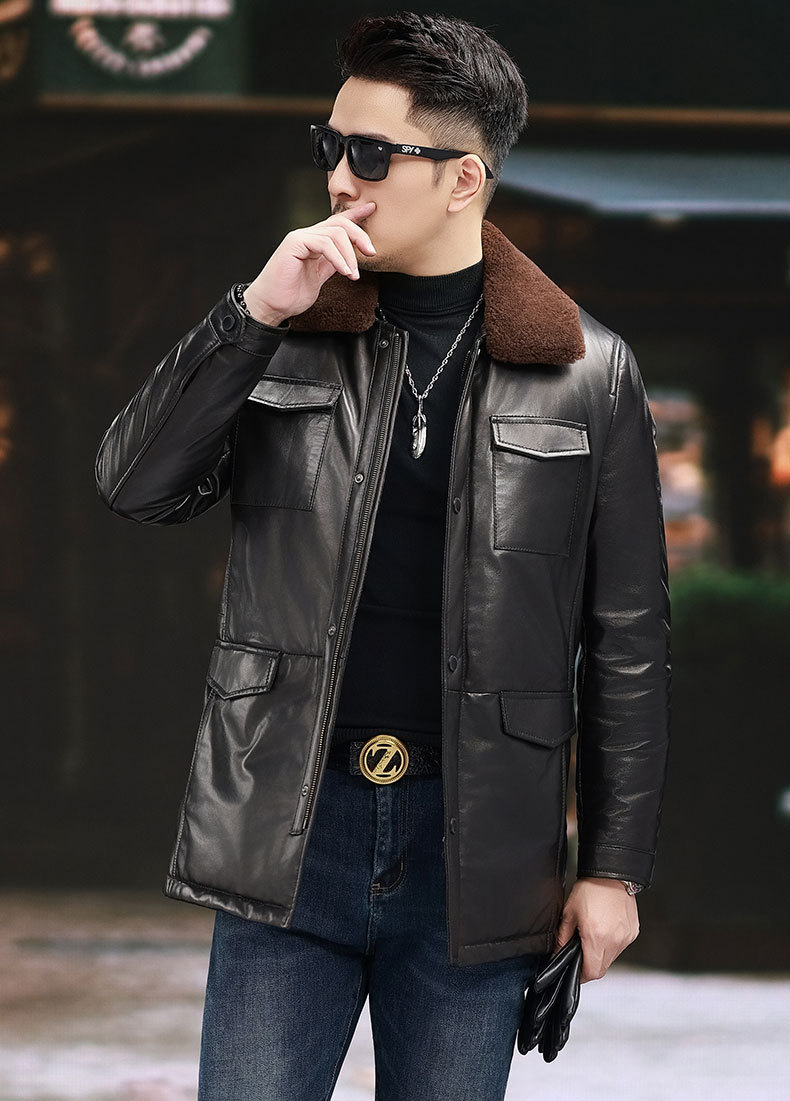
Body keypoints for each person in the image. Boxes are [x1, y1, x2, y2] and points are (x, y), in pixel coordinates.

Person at [95, 11, 671, 1099]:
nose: (338, 178)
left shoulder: (589, 372)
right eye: (331, 145)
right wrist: (255, 313)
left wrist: (612, 868)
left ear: (463, 179)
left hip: (480, 852)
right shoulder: (283, 329)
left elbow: (627, 642)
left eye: (369, 153)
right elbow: (136, 485)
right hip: (288, 825)